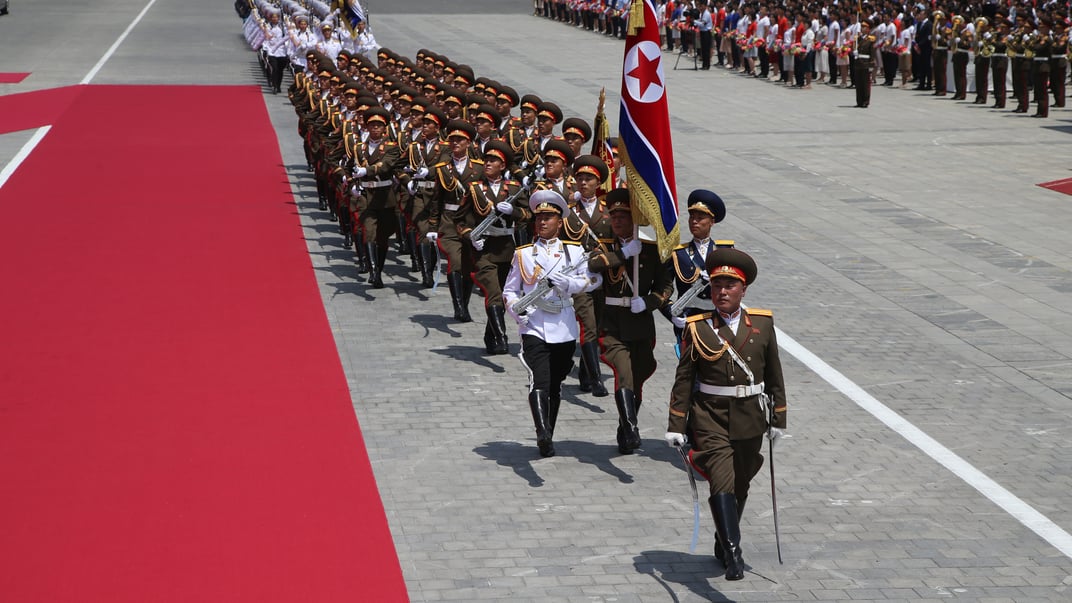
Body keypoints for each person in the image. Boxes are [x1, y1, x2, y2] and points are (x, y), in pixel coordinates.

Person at [664, 245, 787, 581]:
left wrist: (778, 418)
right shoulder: (697, 327)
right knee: (720, 479)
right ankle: (734, 554)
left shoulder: (762, 324)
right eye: (717, 286)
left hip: (750, 417)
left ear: (743, 290)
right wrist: (677, 424)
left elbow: (774, 375)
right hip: (710, 417)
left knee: (740, 483)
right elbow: (683, 381)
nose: (722, 292)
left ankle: (723, 539)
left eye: (730, 286)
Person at [504, 190, 598, 458]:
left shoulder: (574, 252)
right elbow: (510, 290)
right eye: (539, 218)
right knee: (539, 380)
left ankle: (549, 432)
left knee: (555, 384)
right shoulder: (523, 254)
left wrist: (569, 283)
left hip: (564, 326)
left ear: (560, 221)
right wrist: (517, 311)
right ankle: (542, 432)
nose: (542, 222)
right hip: (534, 325)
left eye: (548, 217)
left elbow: (591, 281)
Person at [586, 190, 673, 454]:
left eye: (623, 216)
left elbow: (665, 287)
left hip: (641, 324)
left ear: (634, 220)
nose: (617, 221)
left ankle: (624, 427)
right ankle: (632, 427)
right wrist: (624, 253)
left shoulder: (650, 250)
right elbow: (593, 265)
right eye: (614, 216)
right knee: (623, 373)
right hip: (612, 324)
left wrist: (648, 302)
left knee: (638, 376)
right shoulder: (605, 247)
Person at [465, 141, 530, 354]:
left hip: (507, 249)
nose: (488, 163)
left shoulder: (514, 189)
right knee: (493, 292)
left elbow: (529, 215)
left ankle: (490, 334)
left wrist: (514, 211)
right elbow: (460, 220)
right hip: (484, 250)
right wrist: (470, 236)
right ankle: (502, 337)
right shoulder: (475, 188)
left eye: (493, 161)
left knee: (502, 294)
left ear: (503, 166)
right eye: (486, 160)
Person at [430, 120, 484, 321]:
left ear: (468, 143)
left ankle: (465, 304)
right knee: (455, 262)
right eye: (452, 139)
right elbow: (437, 199)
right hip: (450, 222)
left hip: (471, 223)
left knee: (468, 266)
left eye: (460, 140)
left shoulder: (478, 168)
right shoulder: (443, 169)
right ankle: (458, 306)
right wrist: (433, 225)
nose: (455, 143)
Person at [661, 189, 728, 345]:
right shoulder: (679, 254)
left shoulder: (723, 252)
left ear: (712, 222)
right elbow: (662, 289)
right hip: (689, 320)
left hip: (717, 321)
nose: (694, 222)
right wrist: (671, 314)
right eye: (692, 217)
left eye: (700, 218)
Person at [854, 20, 876, 108]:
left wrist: (871, 64)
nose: (862, 28)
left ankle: (865, 101)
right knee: (858, 83)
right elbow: (854, 48)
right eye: (862, 27)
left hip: (866, 63)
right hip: (858, 62)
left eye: (864, 27)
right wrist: (854, 52)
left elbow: (872, 53)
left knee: (865, 83)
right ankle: (859, 101)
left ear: (868, 29)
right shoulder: (857, 38)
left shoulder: (871, 39)